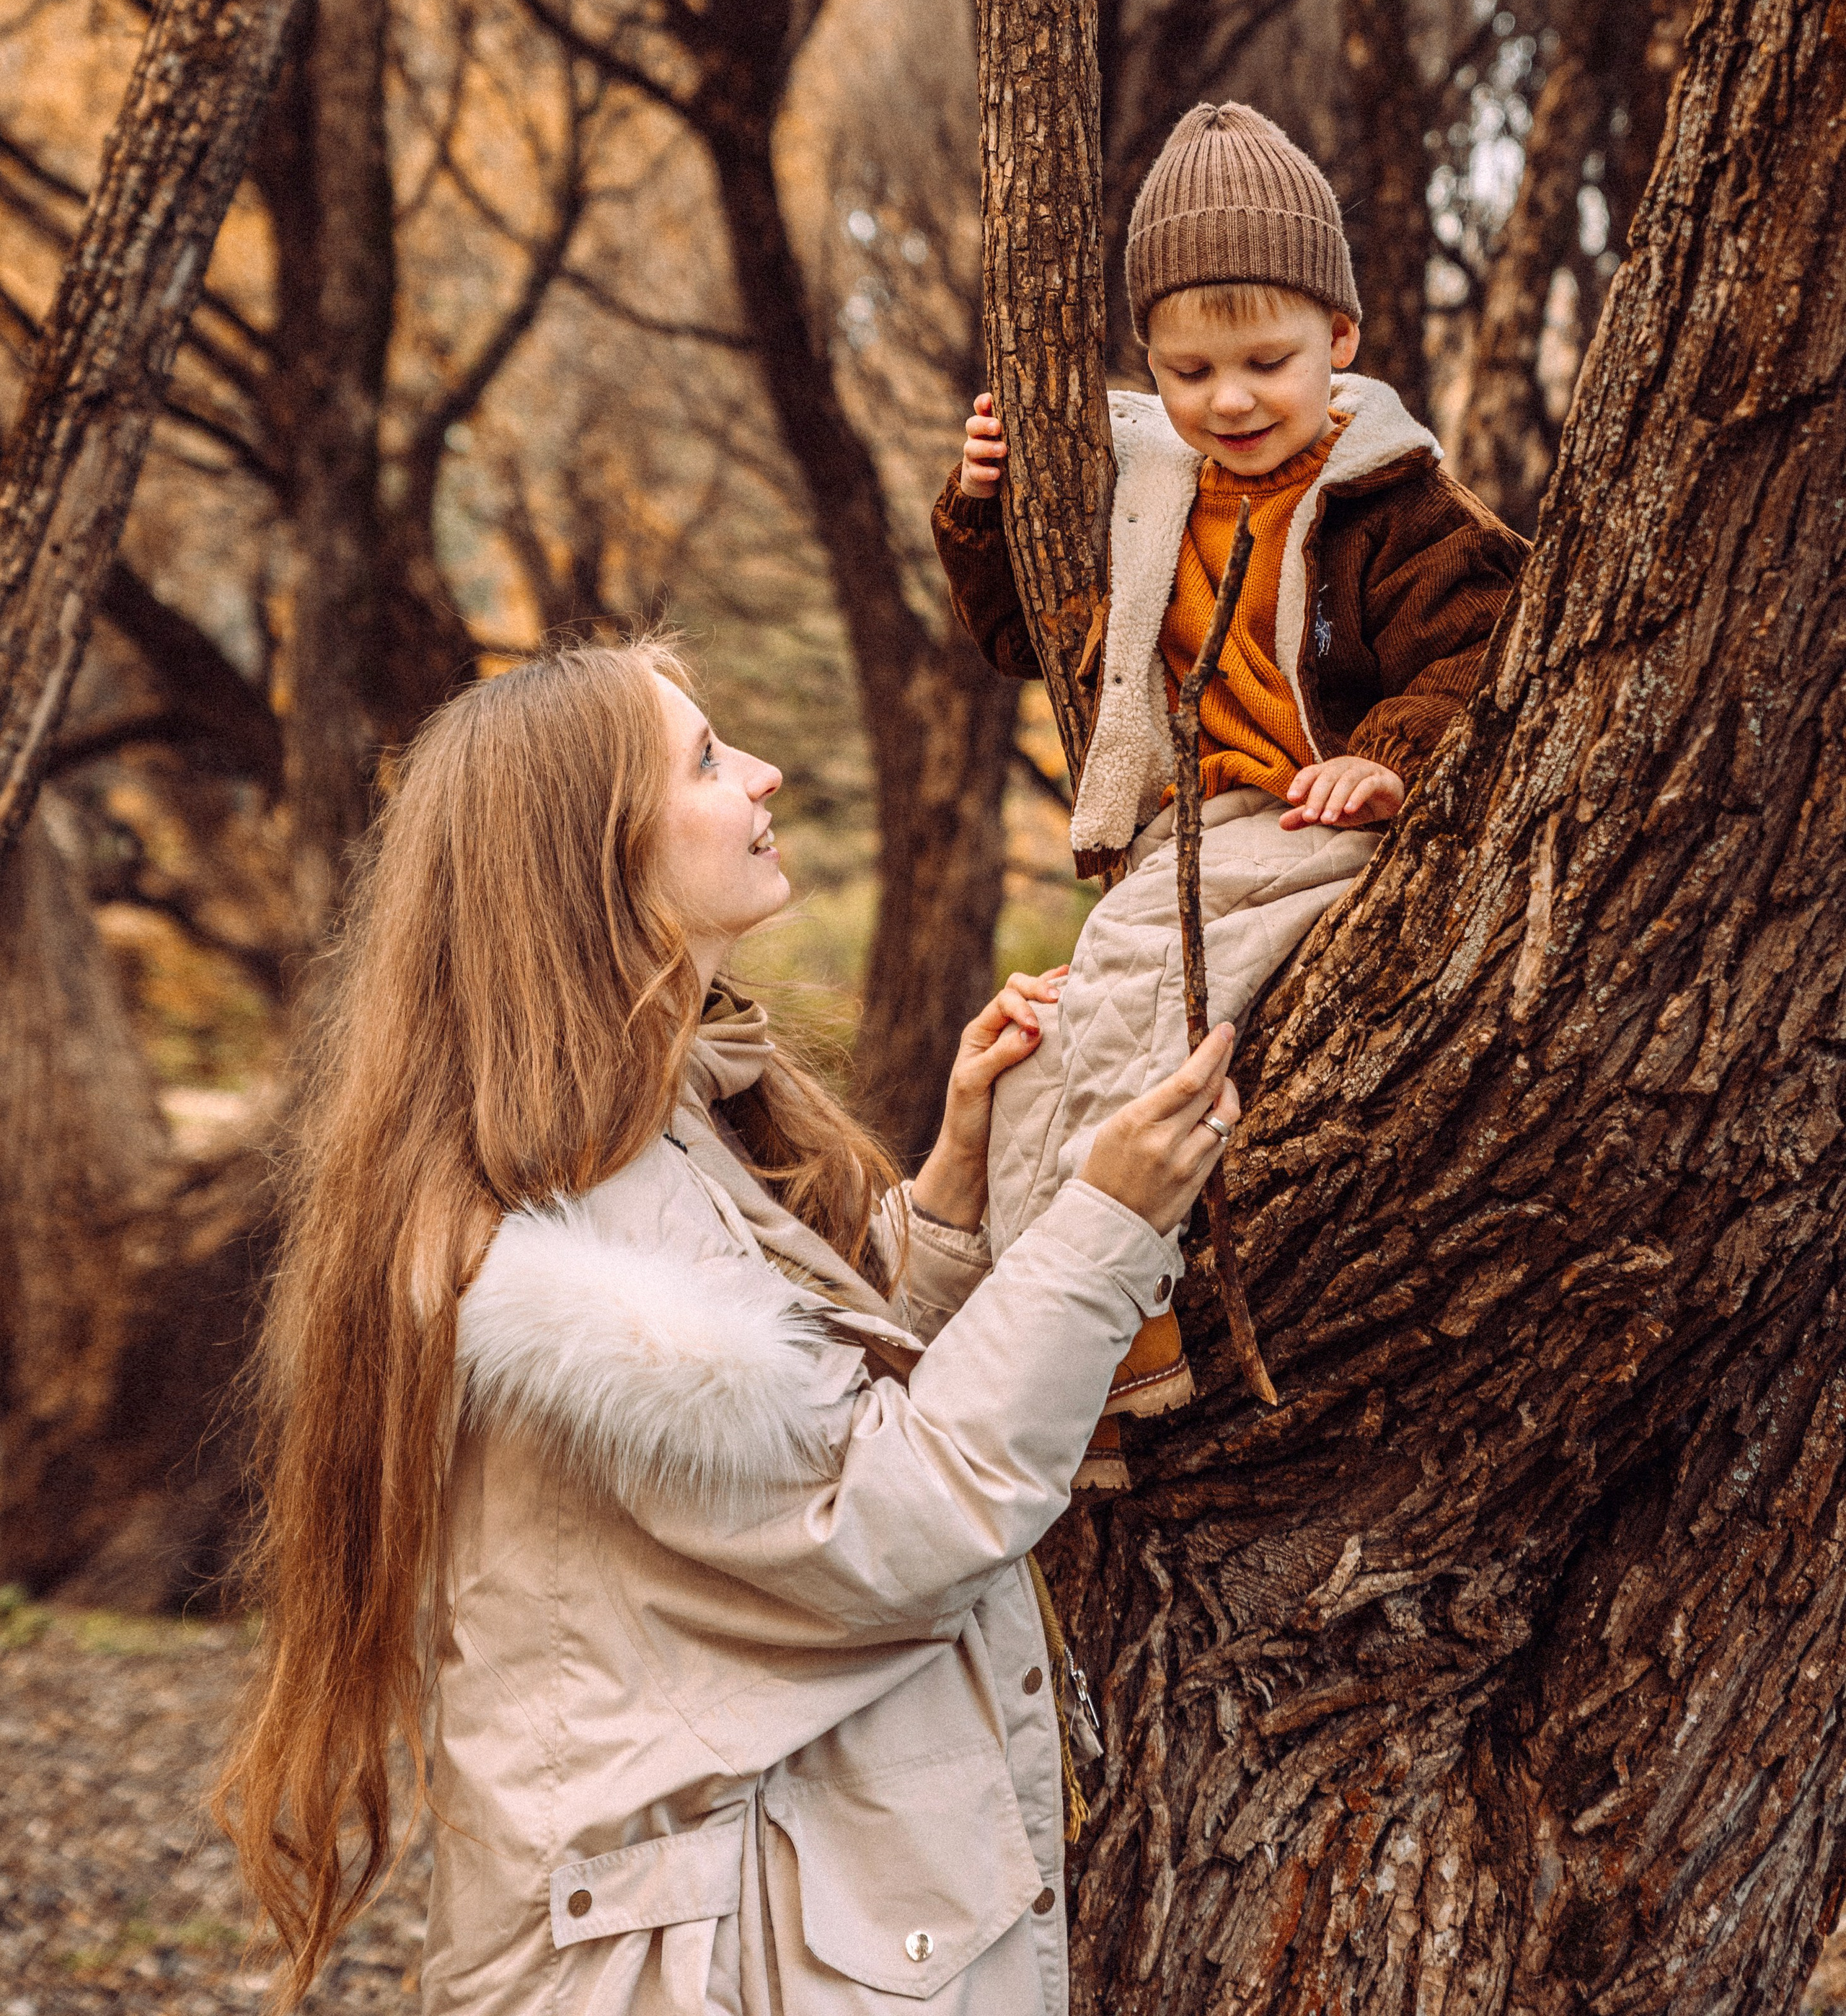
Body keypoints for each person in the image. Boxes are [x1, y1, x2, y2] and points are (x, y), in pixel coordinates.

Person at [216, 640, 1242, 2016]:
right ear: (598, 857)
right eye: (705, 759)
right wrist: (1109, 1222)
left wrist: (940, 1195)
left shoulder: (618, 1144)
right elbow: (892, 1519)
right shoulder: (580, 1222)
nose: (762, 774)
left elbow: (792, 1424)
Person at [933, 100, 1527, 1483]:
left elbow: (1487, 650)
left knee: (1145, 999)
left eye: (1268, 360)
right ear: (1150, 360)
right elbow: (1032, 637)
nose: (1233, 401)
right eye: (1191, 370)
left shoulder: (1397, 498)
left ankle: (1115, 1320)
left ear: (1345, 342)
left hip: (1318, 823)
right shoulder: (1146, 483)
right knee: (1058, 1036)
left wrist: (1391, 757)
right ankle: (1018, 1332)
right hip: (1190, 837)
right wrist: (983, 511)